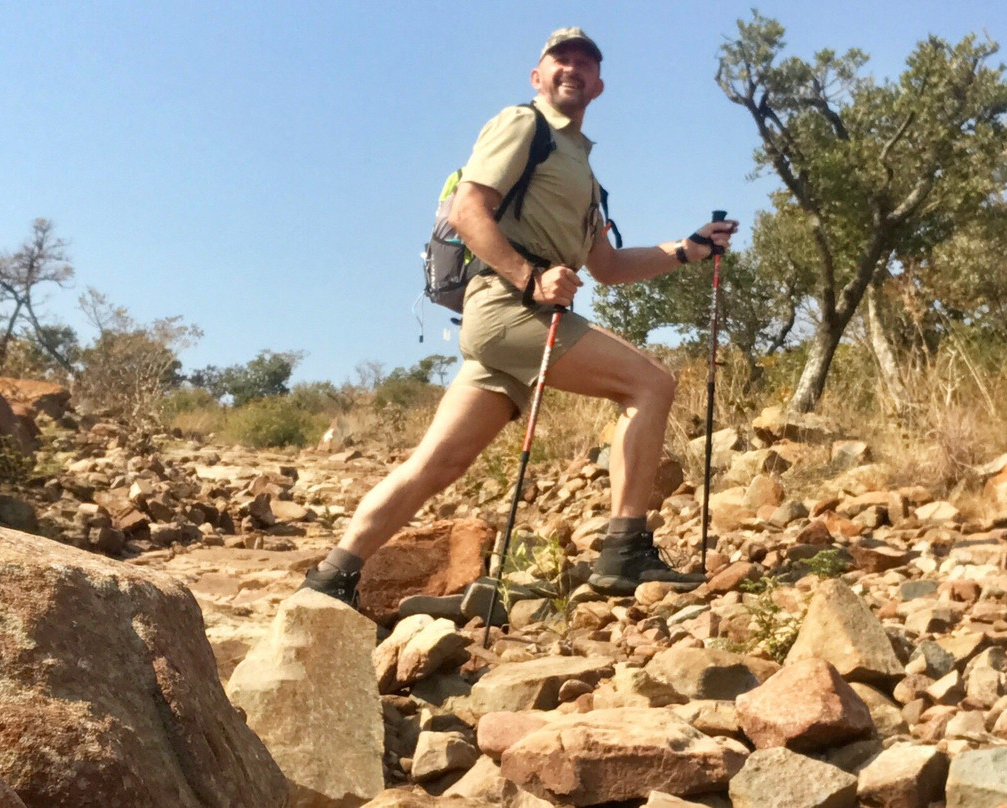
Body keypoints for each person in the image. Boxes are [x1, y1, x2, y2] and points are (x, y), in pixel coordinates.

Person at [302, 27, 737, 605]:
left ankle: (331, 579)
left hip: (511, 325)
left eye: (584, 63)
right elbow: (467, 211)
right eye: (560, 60)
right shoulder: (523, 126)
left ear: (598, 86)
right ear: (538, 76)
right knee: (650, 384)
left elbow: (606, 265)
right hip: (507, 309)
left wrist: (687, 248)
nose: (572, 68)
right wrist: (529, 277)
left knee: (438, 462)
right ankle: (624, 551)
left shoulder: (584, 173)